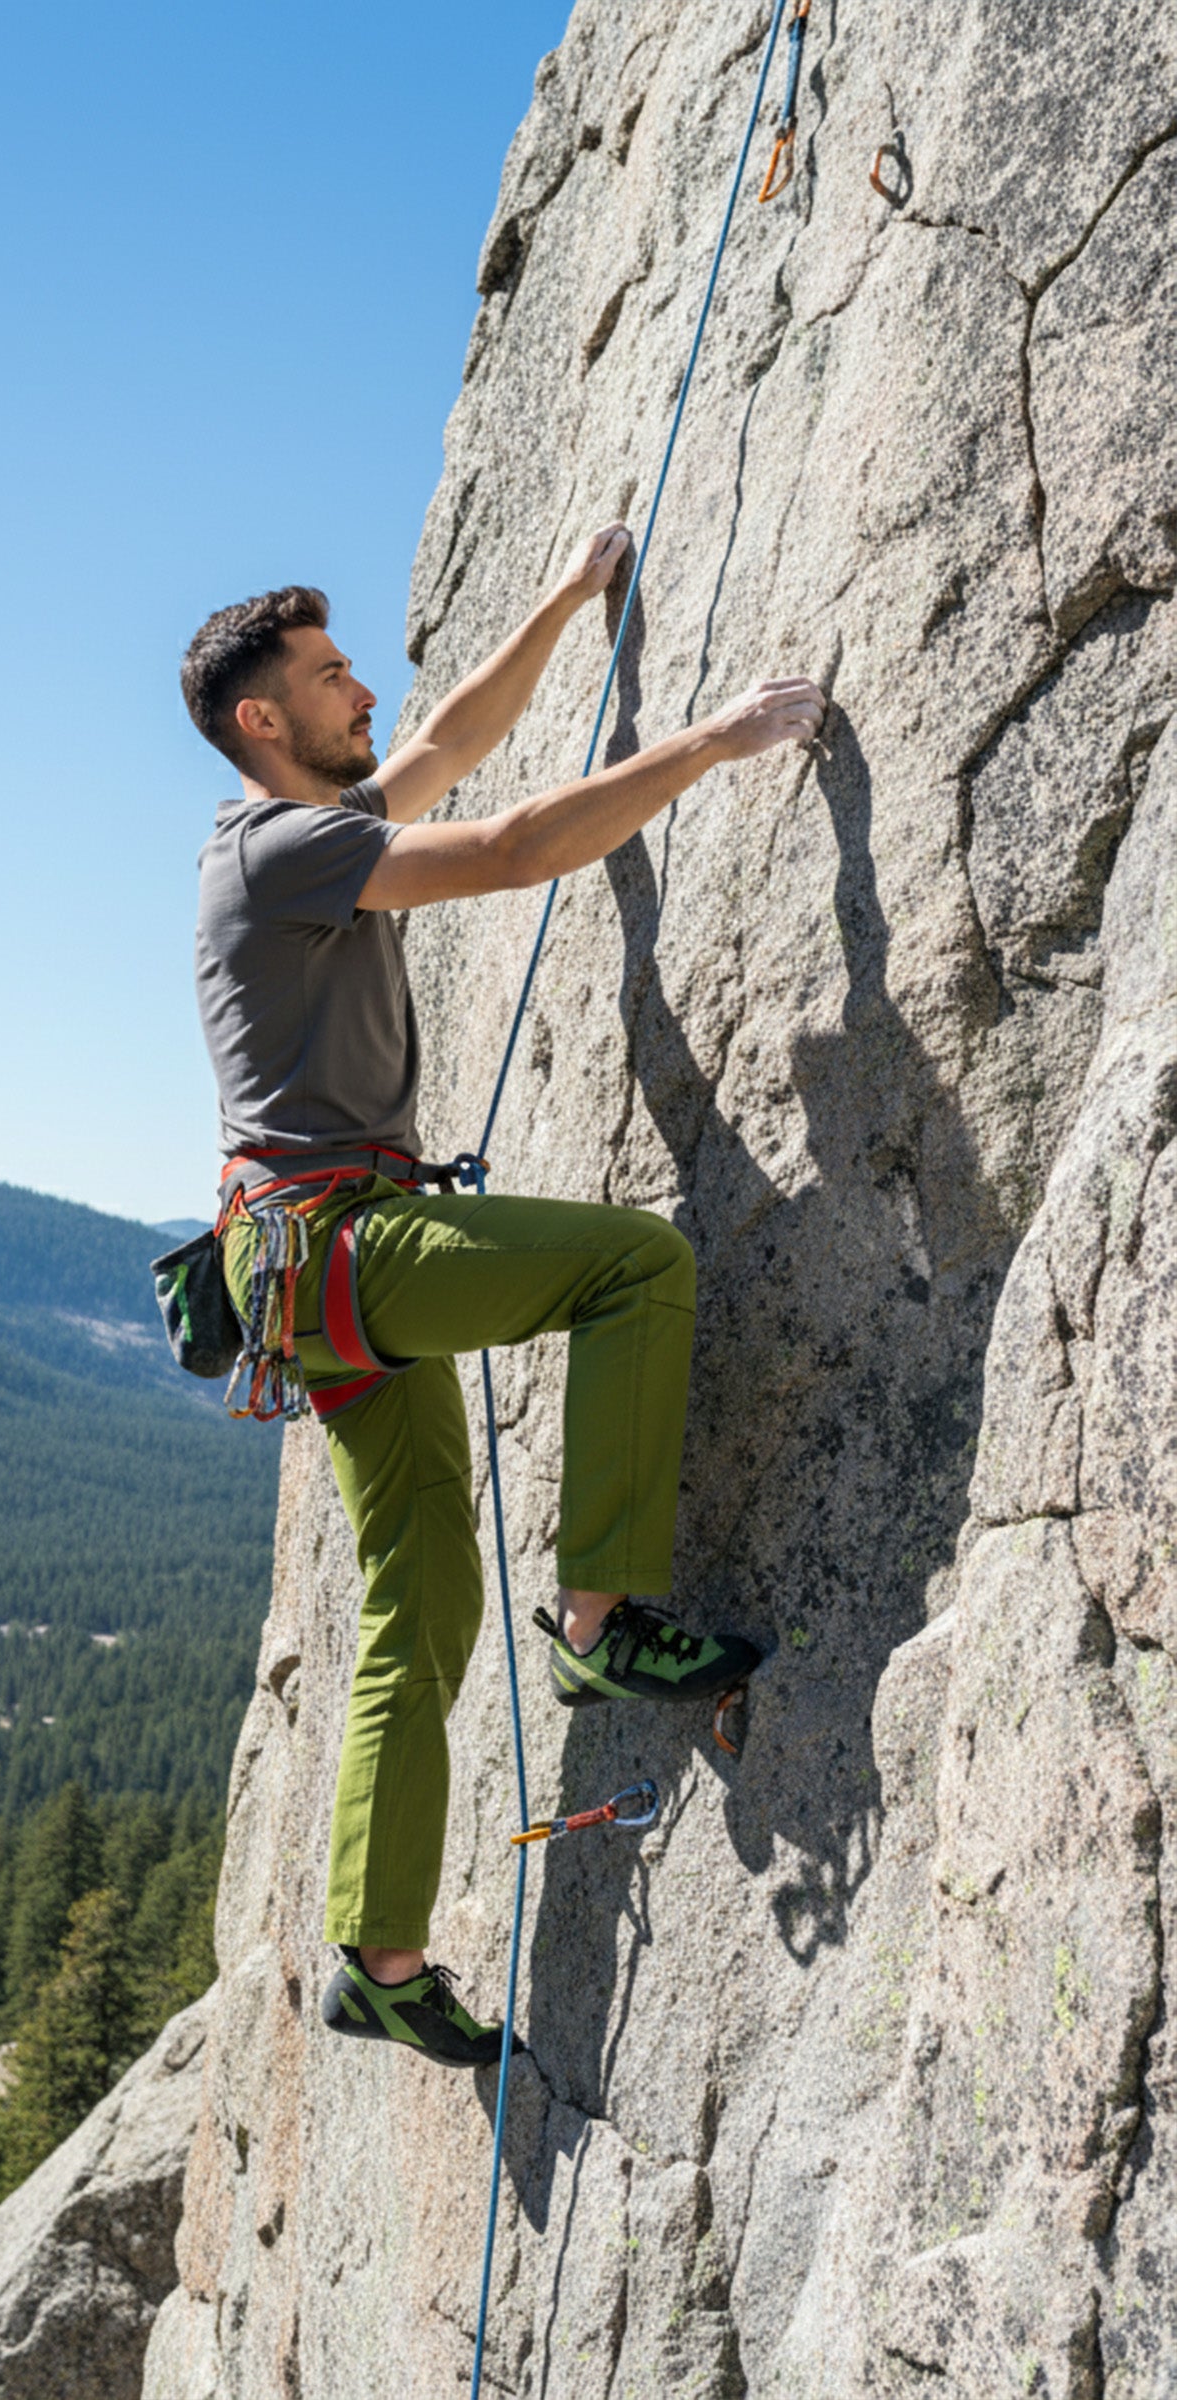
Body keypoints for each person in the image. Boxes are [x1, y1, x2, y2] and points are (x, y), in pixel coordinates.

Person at [182, 528, 824, 2066]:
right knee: (634, 1263)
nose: (362, 694)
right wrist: (715, 740)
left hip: (300, 1272)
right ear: (263, 721)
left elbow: (456, 738)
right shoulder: (282, 849)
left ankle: (382, 1958)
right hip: (338, 1246)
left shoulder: (304, 836)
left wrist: (567, 594)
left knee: (421, 1592)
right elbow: (515, 844)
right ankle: (604, 1613)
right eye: (330, 679)